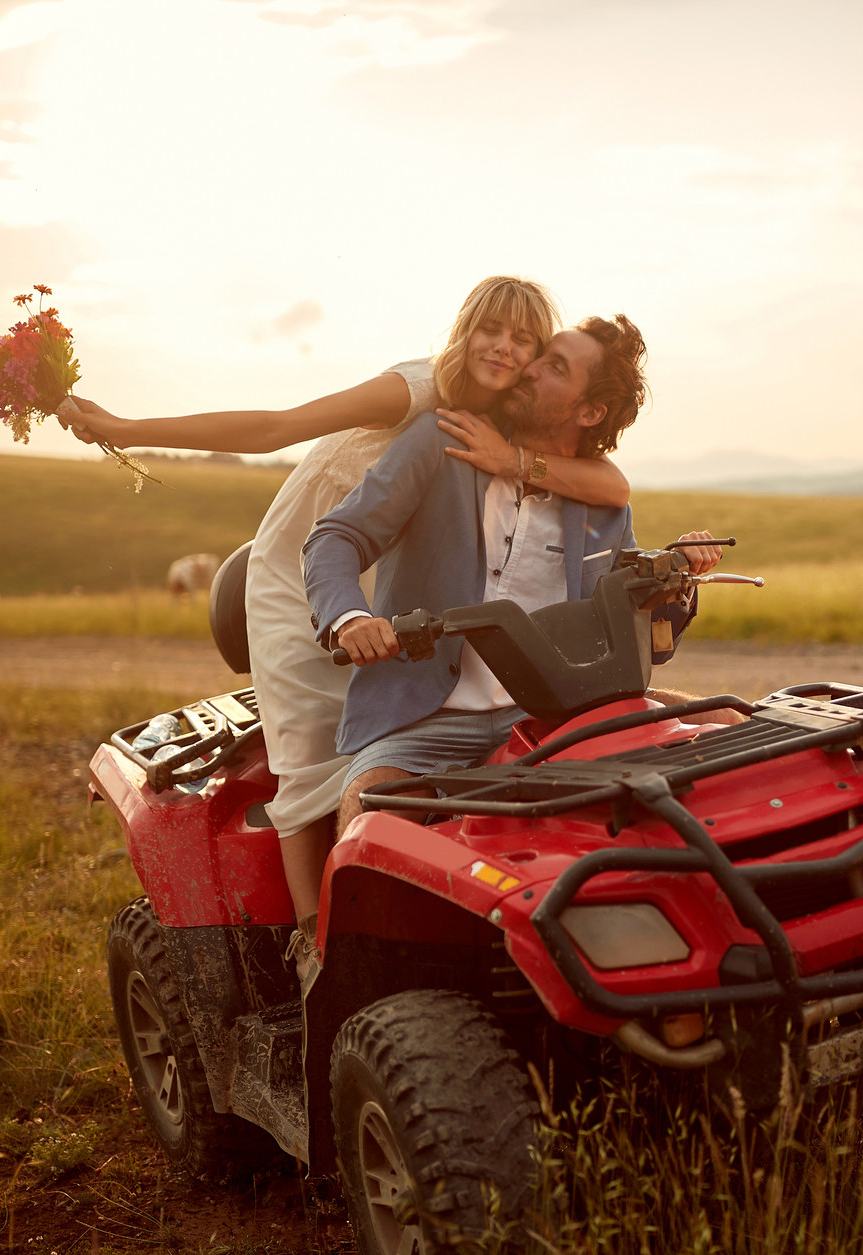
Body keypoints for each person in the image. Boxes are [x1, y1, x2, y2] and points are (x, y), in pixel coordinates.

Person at [56, 277, 633, 933]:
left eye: (526, 341)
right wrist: (123, 427)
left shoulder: (504, 423)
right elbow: (277, 428)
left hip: (385, 563)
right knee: (312, 760)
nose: (505, 349)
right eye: (491, 330)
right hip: (300, 559)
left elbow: (610, 485)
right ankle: (314, 938)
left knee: (394, 698)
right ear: (464, 327)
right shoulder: (418, 392)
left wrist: (512, 461)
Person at [306, 314, 725, 843]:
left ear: (590, 410)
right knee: (368, 826)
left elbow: (644, 641)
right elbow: (336, 537)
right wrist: (350, 618)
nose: (526, 368)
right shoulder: (442, 441)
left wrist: (677, 576)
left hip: (555, 711)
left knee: (725, 733)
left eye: (553, 366)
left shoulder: (605, 506)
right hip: (425, 718)